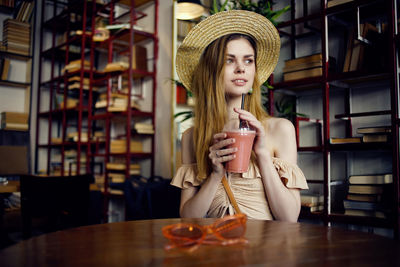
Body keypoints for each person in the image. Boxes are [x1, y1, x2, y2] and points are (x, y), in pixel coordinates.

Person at [172, 10, 308, 222]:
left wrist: (262, 154)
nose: (240, 69)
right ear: (212, 70)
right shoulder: (192, 136)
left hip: (264, 250)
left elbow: (289, 217)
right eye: (229, 60)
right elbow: (188, 218)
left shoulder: (280, 129)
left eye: (248, 61)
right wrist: (215, 175)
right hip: (215, 250)